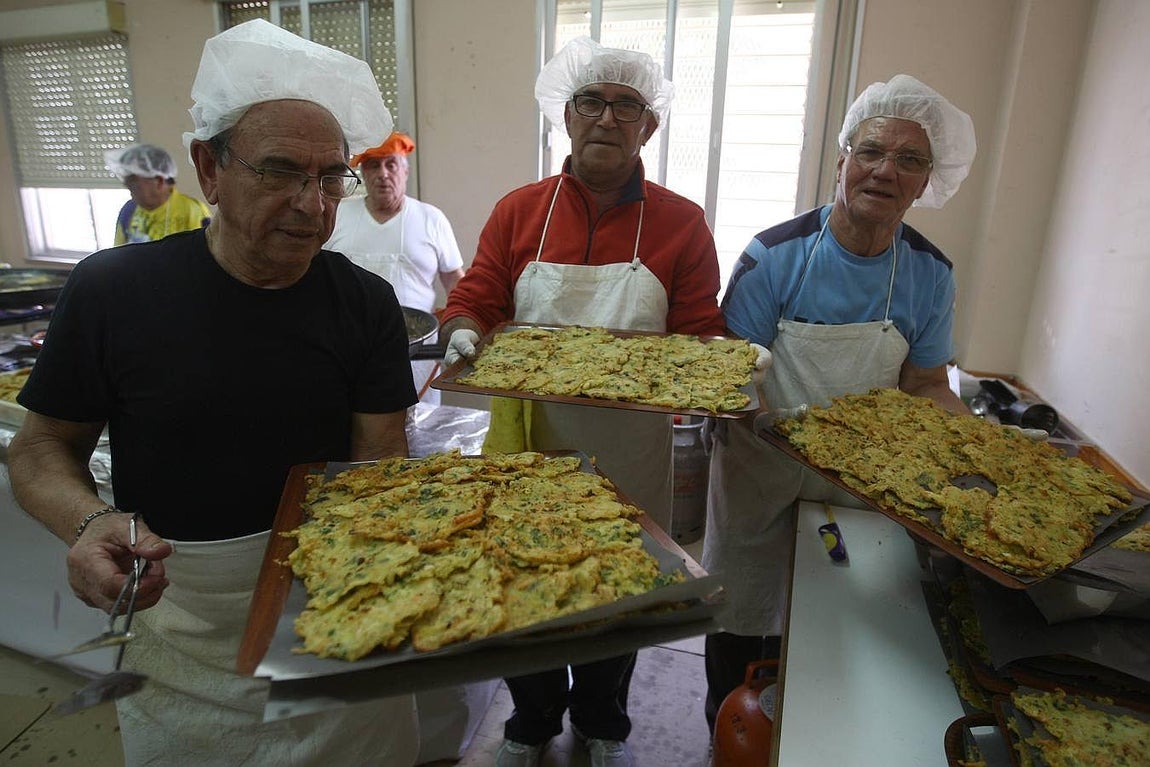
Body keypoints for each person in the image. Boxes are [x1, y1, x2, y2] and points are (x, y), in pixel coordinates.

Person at [10, 19, 420, 766]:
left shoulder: (365, 305)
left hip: (334, 608)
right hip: (179, 624)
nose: (312, 203)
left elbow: (380, 463)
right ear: (209, 167)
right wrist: (88, 519)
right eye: (280, 171)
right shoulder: (113, 292)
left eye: (332, 177)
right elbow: (41, 449)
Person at [440, 36, 729, 767]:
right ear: (564, 117)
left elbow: (699, 333)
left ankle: (604, 724)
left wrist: (719, 369)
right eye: (591, 102)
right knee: (527, 589)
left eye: (626, 105)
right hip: (529, 442)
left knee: (618, 593)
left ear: (648, 127)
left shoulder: (681, 222)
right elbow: (475, 295)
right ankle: (530, 723)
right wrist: (465, 330)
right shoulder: (520, 211)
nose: (607, 117)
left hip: (630, 453)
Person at [701, 73, 978, 732]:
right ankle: (727, 728)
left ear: (926, 181)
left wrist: (975, 446)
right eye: (872, 151)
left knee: (835, 620)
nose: (885, 170)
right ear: (841, 163)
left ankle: (814, 733)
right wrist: (755, 415)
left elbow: (925, 384)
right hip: (759, 473)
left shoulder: (929, 273)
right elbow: (730, 374)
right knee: (741, 615)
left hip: (856, 489)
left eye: (909, 160)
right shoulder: (773, 257)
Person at [326, 130, 465, 402]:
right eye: (373, 165)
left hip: (417, 354)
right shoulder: (338, 214)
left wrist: (456, 326)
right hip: (345, 350)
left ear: (405, 171)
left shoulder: (431, 219)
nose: (383, 173)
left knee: (422, 434)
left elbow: (456, 283)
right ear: (362, 173)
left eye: (391, 164)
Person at [105, 142, 212, 245]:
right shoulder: (129, 210)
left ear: (159, 181)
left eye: (133, 179)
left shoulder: (192, 210)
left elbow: (206, 255)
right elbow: (119, 254)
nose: (126, 185)